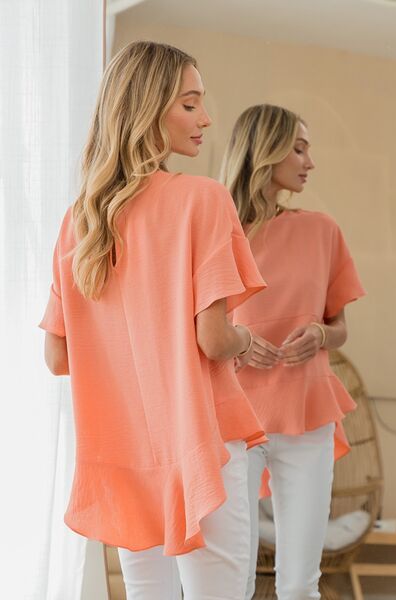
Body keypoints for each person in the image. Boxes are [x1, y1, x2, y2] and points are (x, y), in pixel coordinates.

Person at [39, 42, 270, 600]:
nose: (206, 118)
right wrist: (245, 339)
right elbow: (213, 339)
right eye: (190, 104)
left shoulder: (80, 219)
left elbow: (57, 357)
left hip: (125, 457)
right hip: (199, 439)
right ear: (147, 109)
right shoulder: (202, 199)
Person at [220, 103, 366, 600]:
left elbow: (339, 326)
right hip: (234, 420)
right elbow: (194, 329)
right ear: (267, 150)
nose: (310, 162)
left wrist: (321, 336)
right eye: (299, 149)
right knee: (231, 579)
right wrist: (237, 345)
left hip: (308, 414)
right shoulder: (216, 231)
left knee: (301, 584)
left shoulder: (321, 230)